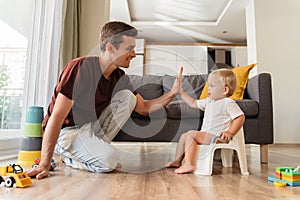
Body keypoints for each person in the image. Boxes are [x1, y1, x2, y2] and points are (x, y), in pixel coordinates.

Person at [27, 21, 182, 179]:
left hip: (90, 128)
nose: (134, 54)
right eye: (129, 49)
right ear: (110, 48)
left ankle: (86, 154)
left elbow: (143, 107)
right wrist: (44, 164)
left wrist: (172, 93)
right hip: (67, 132)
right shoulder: (80, 68)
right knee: (110, 161)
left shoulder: (119, 77)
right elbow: (57, 117)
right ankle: (72, 157)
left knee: (128, 98)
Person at [166, 68, 245, 174]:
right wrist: (181, 92)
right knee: (184, 136)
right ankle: (177, 161)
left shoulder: (228, 103)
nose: (208, 88)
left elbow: (240, 117)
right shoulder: (209, 101)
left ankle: (189, 163)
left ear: (225, 90)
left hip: (218, 136)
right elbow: (193, 103)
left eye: (212, 86)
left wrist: (230, 132)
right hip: (207, 135)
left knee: (191, 134)